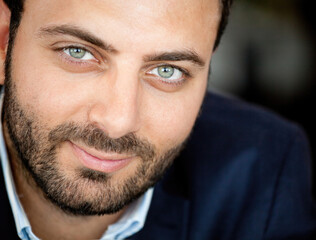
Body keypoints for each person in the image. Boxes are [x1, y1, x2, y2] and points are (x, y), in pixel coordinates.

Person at [0, 0, 315, 239]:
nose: (118, 122)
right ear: (3, 43)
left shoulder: (261, 171)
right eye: (77, 52)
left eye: (168, 70)